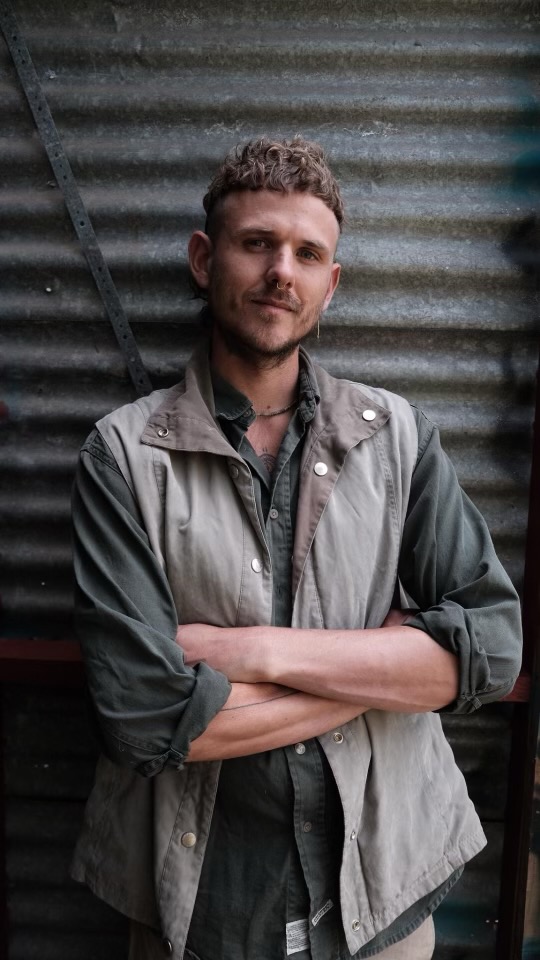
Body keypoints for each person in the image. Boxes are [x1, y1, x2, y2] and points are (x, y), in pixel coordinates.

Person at [71, 136, 522, 960]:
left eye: (308, 253)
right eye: (258, 244)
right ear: (204, 260)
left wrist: (248, 651)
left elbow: (489, 649)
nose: (283, 270)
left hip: (382, 899)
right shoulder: (124, 455)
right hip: (200, 911)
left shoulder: (400, 439)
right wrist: (386, 672)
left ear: (331, 282)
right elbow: (142, 719)